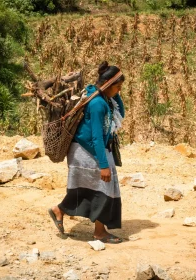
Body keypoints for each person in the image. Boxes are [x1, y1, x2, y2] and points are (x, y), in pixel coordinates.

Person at [48, 61, 125, 244]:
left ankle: (60, 210)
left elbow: (120, 110)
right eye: (118, 87)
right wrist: (104, 165)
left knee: (88, 189)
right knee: (103, 189)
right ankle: (99, 233)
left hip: (87, 148)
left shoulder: (99, 94)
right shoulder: (98, 104)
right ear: (107, 85)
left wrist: (115, 90)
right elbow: (97, 137)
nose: (119, 91)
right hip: (85, 150)